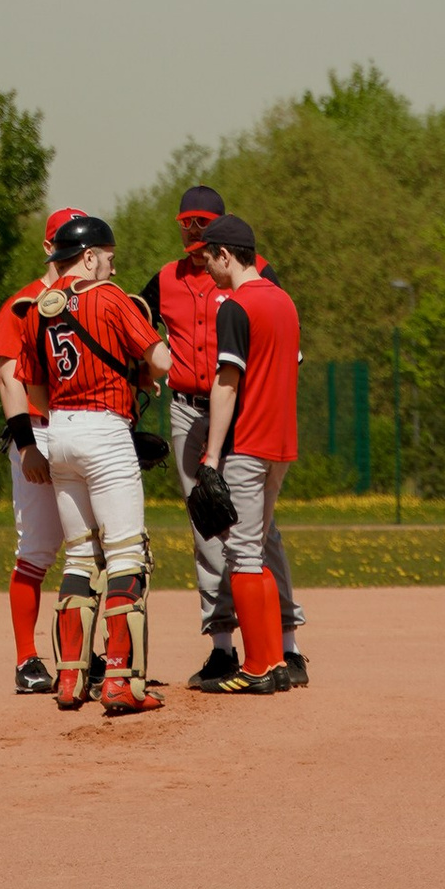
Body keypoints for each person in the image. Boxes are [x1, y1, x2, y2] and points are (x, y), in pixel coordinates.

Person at [144, 185, 304, 689]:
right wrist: (147, 364)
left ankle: (282, 646)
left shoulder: (253, 282)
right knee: (209, 526)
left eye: (204, 224)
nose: (194, 232)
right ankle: (223, 648)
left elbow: (254, 365)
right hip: (192, 411)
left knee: (257, 538)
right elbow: (133, 322)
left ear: (222, 241)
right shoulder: (166, 278)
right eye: (187, 222)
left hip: (241, 417)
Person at [13, 213, 171, 717]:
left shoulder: (38, 308)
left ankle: (69, 679)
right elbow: (162, 362)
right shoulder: (108, 296)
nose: (112, 265)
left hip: (58, 432)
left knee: (80, 557)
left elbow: (32, 387)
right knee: (126, 555)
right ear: (88, 256)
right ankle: (121, 680)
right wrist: (148, 361)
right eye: (108, 256)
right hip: (104, 431)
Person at [189, 221, 306, 695]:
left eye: (207, 257)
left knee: (242, 555)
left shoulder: (236, 306)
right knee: (254, 549)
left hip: (249, 442)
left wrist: (212, 454)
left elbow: (227, 382)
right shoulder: (284, 301)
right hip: (281, 443)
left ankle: (257, 665)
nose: (205, 266)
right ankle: (275, 660)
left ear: (224, 255)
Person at [0, 207, 87, 693]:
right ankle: (28, 660)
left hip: (90, 427)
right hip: (39, 430)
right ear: (49, 248)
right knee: (36, 548)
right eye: (61, 244)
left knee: (95, 547)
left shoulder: (96, 301)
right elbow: (11, 379)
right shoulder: (22, 305)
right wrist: (27, 445)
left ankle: (92, 655)